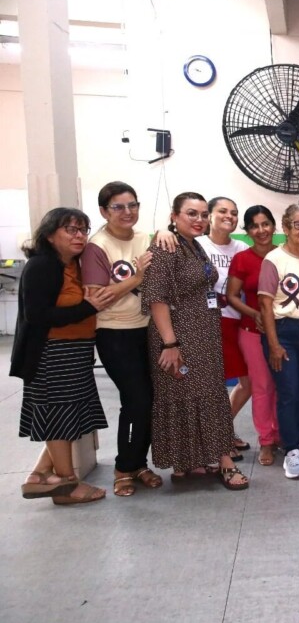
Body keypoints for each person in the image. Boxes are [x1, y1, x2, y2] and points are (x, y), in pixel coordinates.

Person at [143, 192, 248, 490]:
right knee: (191, 395)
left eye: (203, 214)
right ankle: (225, 462)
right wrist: (170, 344)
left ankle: (191, 461)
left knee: (205, 395)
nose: (199, 219)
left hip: (204, 336)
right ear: (174, 216)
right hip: (179, 338)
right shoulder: (166, 247)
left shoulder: (193, 245)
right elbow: (157, 299)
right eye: (191, 213)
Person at [14, 208, 114, 505]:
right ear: (49, 235)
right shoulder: (42, 265)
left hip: (76, 350)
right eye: (71, 229)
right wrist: (89, 307)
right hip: (52, 352)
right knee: (58, 416)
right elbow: (38, 315)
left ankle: (39, 475)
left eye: (83, 229)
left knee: (67, 416)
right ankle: (68, 485)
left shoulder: (72, 264)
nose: (79, 235)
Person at [81, 182, 162, 497]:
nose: (127, 212)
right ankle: (123, 468)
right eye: (118, 207)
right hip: (114, 332)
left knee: (150, 399)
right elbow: (98, 298)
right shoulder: (97, 246)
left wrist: (165, 233)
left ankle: (139, 464)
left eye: (132, 205)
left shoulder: (145, 238)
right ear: (104, 211)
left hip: (148, 329)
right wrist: (138, 277)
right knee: (136, 399)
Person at [257, 205, 299, 480]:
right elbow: (265, 304)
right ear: (285, 227)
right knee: (288, 392)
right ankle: (291, 450)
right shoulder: (274, 259)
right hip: (283, 332)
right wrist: (274, 344)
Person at [196, 197, 251, 457]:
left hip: (237, 321)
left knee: (249, 382)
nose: (229, 216)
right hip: (206, 323)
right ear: (209, 215)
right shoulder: (197, 245)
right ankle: (217, 440)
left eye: (234, 212)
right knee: (212, 386)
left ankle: (222, 430)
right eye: (223, 211)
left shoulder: (241, 248)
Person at [226, 206, 280, 467]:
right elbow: (232, 296)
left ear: (274, 226)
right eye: (254, 226)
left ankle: (284, 435)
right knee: (262, 388)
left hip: (284, 332)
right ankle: (266, 440)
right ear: (247, 231)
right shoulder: (242, 259)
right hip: (252, 332)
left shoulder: (284, 255)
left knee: (284, 388)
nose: (261, 230)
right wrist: (255, 313)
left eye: (266, 224)